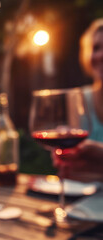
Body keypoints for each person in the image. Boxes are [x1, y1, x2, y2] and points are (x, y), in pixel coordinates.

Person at [53, 19, 103, 181]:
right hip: (84, 200)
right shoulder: (79, 99)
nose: (101, 55)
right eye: (96, 48)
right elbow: (70, 169)